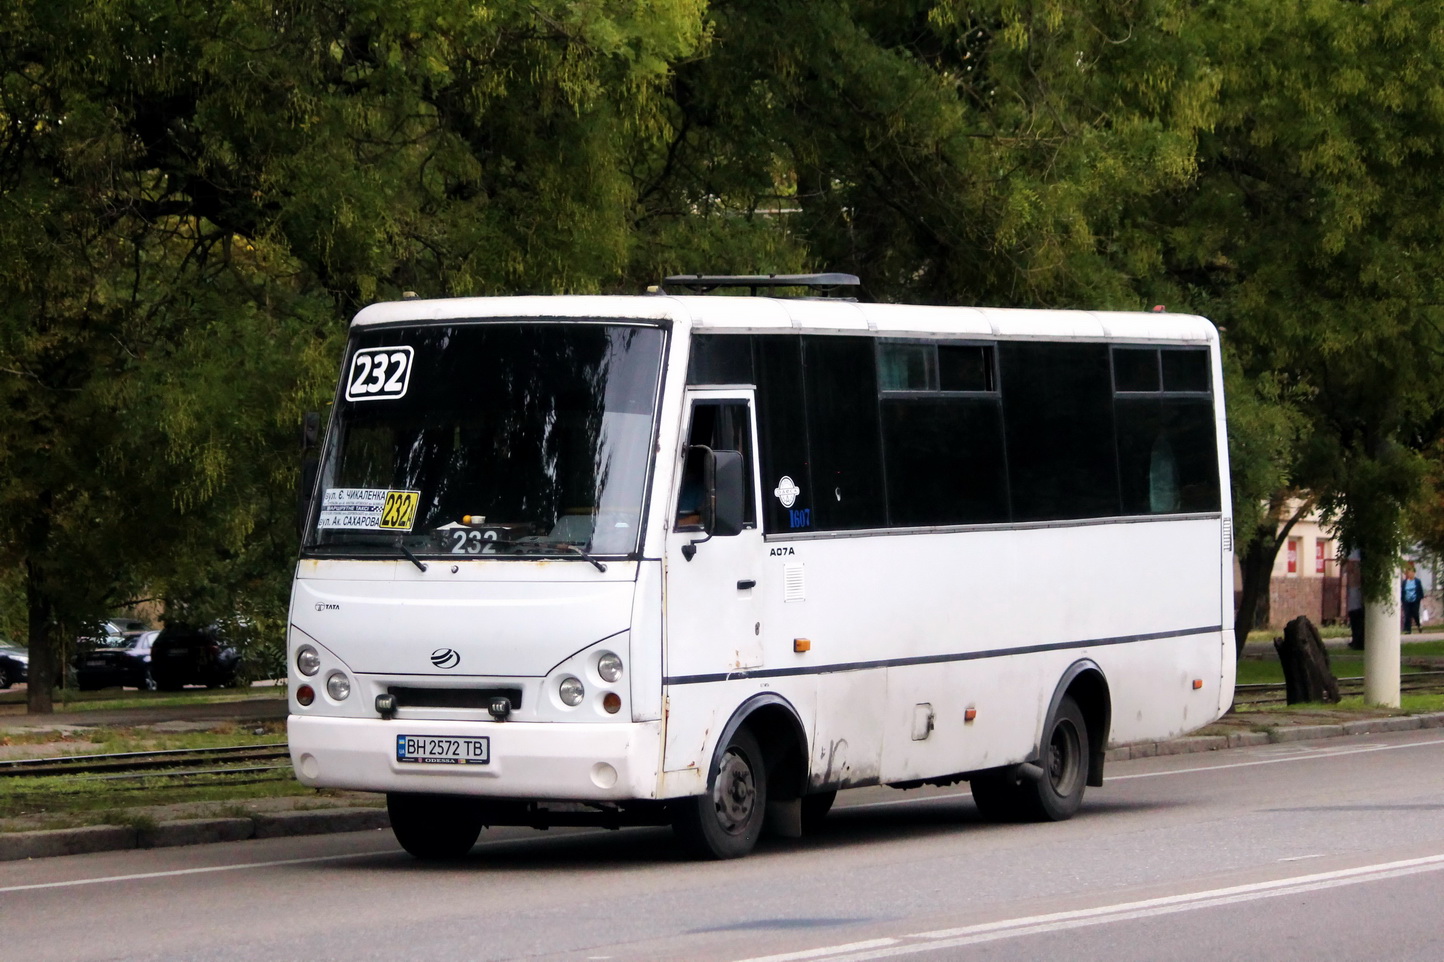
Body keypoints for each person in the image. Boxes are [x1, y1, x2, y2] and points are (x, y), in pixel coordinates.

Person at [1345, 552, 1365, 650]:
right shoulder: (1351, 577)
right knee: (1354, 623)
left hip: (1356, 606)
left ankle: (1358, 642)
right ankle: (1355, 641)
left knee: (1358, 623)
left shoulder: (1356, 577)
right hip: (1353, 606)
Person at [1401, 566, 1425, 634]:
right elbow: (1402, 591)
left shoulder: (1417, 581)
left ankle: (1419, 625)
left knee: (1415, 614)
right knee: (1407, 615)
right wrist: (1402, 600)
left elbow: (1420, 591)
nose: (1410, 574)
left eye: (1411, 572)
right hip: (1406, 601)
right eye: (1408, 572)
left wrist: (1420, 598)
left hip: (1415, 601)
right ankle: (1408, 630)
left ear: (1414, 573)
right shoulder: (1405, 582)